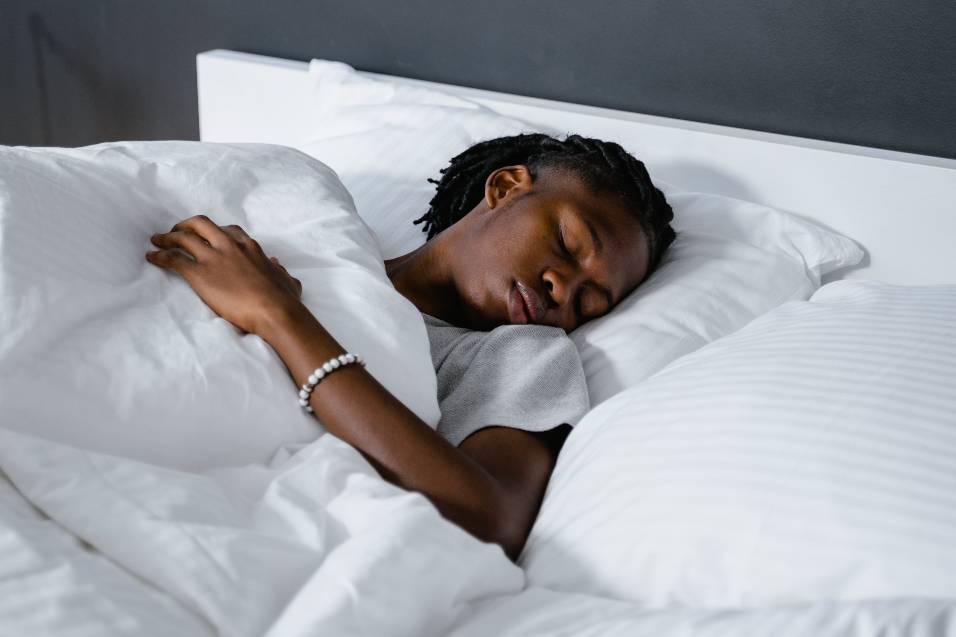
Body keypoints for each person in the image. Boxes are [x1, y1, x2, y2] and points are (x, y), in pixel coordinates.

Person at [144, 133, 675, 562]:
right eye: (566, 242)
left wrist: (280, 317)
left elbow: (493, 518)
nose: (564, 290)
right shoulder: (324, 243)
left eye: (589, 302)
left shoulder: (521, 355)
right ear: (507, 187)